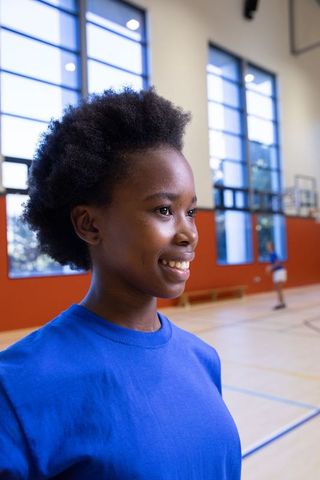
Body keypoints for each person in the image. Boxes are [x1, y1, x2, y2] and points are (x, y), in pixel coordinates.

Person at [0, 88, 241, 479]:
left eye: (190, 211)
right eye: (164, 209)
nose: (190, 233)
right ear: (89, 224)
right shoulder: (18, 389)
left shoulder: (203, 359)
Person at [266, 240, 287, 310]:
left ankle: (280, 304)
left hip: (280, 272)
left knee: (279, 288)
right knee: (277, 289)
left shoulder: (273, 254)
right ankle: (282, 303)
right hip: (277, 272)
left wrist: (270, 268)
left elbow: (278, 263)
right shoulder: (271, 254)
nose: (267, 247)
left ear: (271, 246)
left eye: (268, 245)